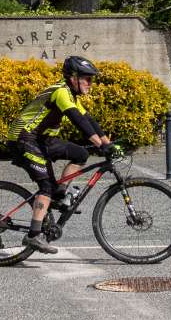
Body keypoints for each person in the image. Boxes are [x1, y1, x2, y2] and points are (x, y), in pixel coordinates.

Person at [9, 55, 117, 254]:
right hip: (25, 139)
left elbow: (88, 119)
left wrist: (108, 144)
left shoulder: (71, 95)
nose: (90, 84)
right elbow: (77, 120)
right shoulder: (61, 92)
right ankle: (33, 235)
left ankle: (60, 194)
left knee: (81, 154)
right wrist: (98, 144)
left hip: (43, 140)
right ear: (73, 77)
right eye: (87, 79)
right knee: (46, 186)